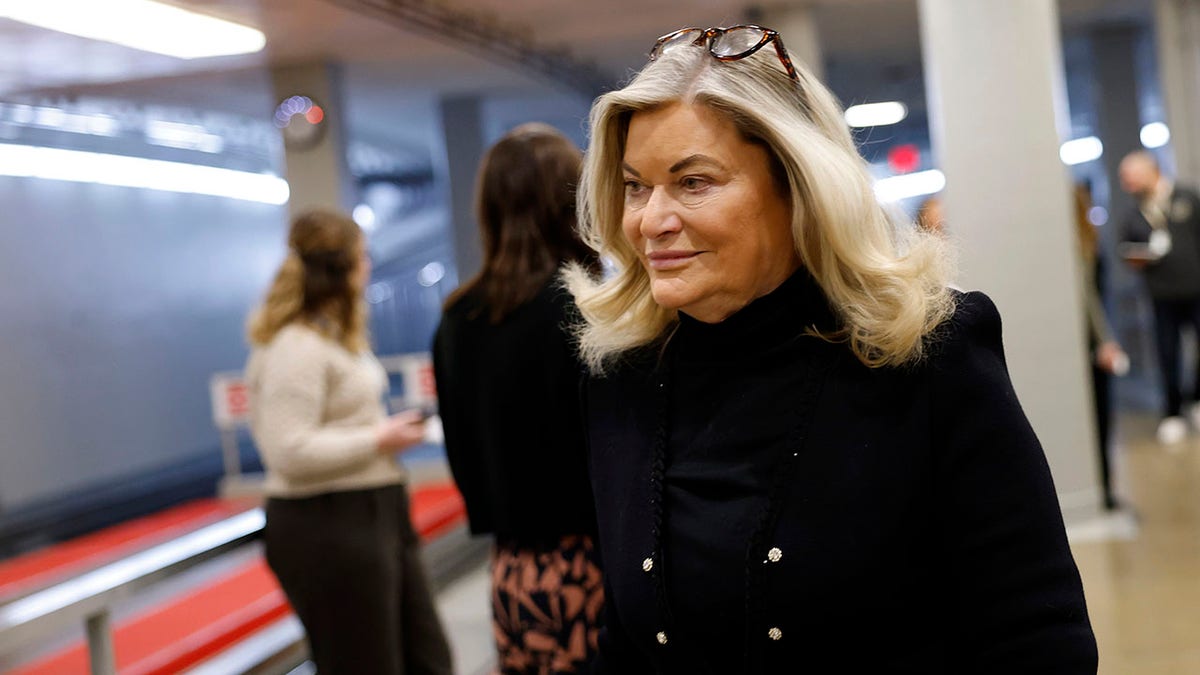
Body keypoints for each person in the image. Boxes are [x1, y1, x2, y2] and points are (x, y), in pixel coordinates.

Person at [563, 24, 1097, 673]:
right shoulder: (621, 378)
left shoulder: (926, 354)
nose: (652, 219)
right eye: (636, 186)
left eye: (693, 181)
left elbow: (1039, 638)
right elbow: (627, 644)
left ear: (797, 185)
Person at [245, 209, 453, 675]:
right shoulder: (295, 347)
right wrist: (380, 438)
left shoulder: (334, 339)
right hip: (328, 524)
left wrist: (380, 434)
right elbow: (287, 450)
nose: (368, 266)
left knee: (428, 660)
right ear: (337, 270)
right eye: (362, 256)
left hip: (372, 513)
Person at [432, 123, 604, 674]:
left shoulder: (458, 320)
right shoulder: (588, 312)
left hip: (512, 570)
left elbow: (462, 453)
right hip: (597, 565)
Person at [1117, 150, 1200, 445]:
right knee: (1168, 353)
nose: (1127, 184)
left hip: (1196, 291)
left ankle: (1196, 400)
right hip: (1162, 295)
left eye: (1130, 176)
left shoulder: (1187, 198)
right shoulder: (1134, 214)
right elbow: (1124, 249)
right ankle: (1173, 413)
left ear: (1149, 171)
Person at [1075, 182, 1127, 508]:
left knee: (1102, 416)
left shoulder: (1087, 243)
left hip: (1093, 343)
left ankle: (1104, 486)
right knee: (1096, 417)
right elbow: (1089, 300)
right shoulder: (1077, 247)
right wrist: (1105, 340)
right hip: (1088, 343)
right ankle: (1102, 487)